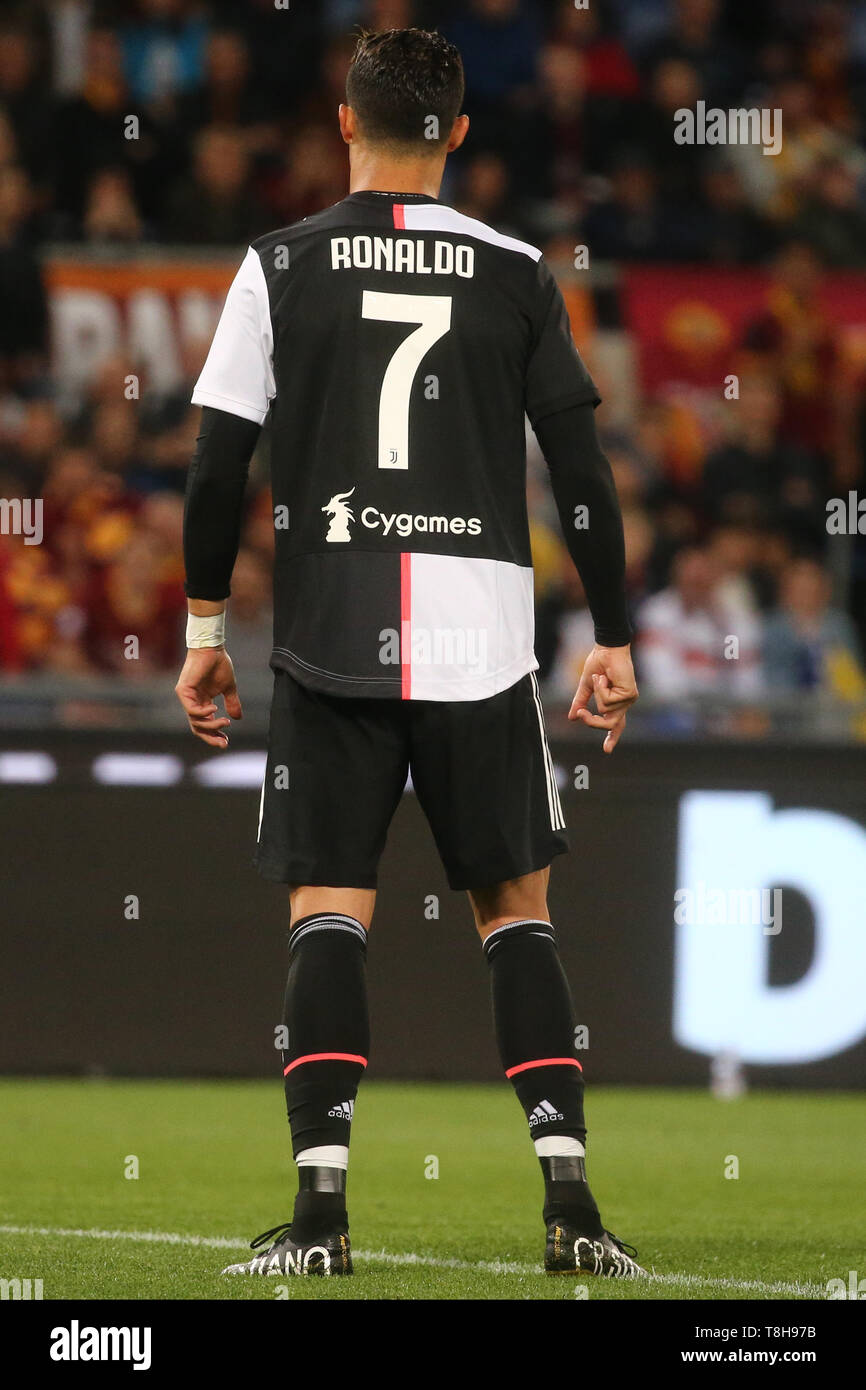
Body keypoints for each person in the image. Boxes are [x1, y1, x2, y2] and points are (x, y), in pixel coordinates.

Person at [175, 27, 643, 1282]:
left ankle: (320, 1220)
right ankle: (572, 1208)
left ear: (344, 123)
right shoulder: (516, 269)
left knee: (329, 913)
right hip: (481, 644)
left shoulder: (277, 263)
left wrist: (205, 631)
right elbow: (583, 470)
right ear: (459, 134)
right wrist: (612, 633)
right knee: (518, 919)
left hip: (329, 634)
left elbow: (219, 463)